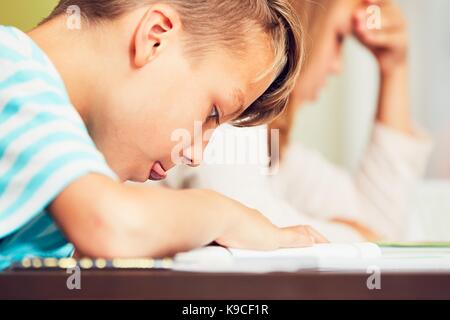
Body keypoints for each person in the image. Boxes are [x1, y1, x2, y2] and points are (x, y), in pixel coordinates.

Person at [0, 0, 329, 271]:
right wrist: (225, 215)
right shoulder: (10, 66)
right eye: (212, 113)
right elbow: (109, 224)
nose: (196, 155)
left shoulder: (59, 165)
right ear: (155, 37)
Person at [163, 0, 433, 242]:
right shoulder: (233, 112)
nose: (338, 66)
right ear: (304, 24)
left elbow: (380, 227)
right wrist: (354, 236)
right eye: (339, 38)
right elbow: (239, 213)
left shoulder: (274, 147)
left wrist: (393, 68)